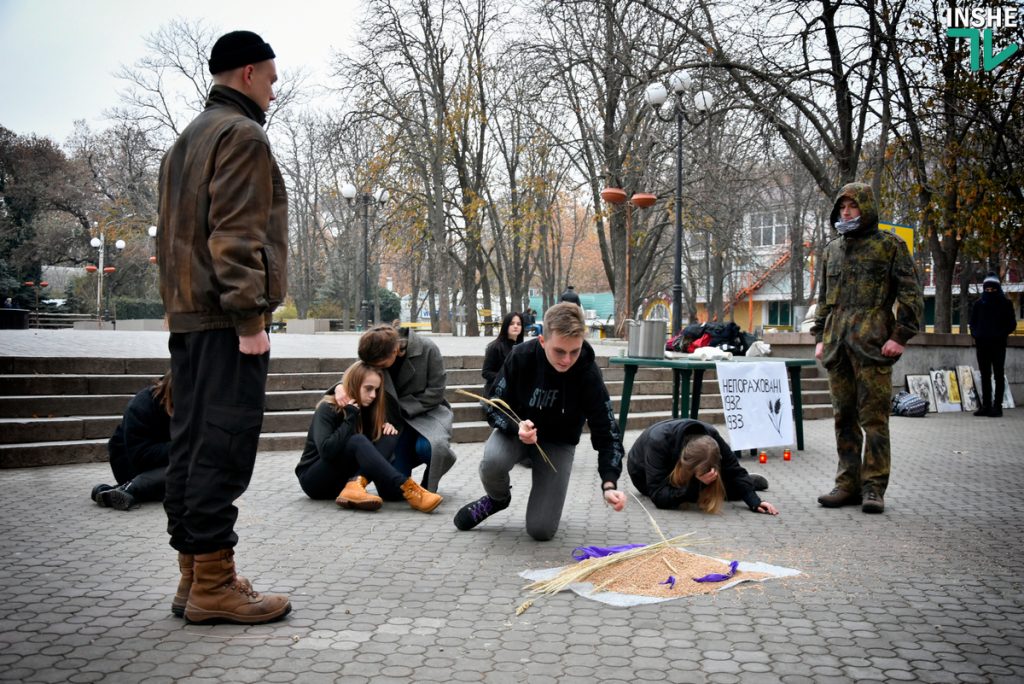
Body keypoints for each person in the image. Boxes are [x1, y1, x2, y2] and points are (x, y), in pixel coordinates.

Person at [156, 30, 290, 624]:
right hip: (223, 319)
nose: (273, 88)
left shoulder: (187, 139)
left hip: (189, 317)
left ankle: (195, 575)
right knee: (224, 445)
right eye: (270, 77)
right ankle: (213, 584)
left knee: (189, 445)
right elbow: (235, 236)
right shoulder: (241, 135)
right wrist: (250, 318)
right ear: (246, 74)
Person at [453, 302, 627, 541]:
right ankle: (497, 499)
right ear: (543, 341)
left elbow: (607, 431)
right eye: (559, 351)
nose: (567, 360)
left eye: (574, 351)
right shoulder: (521, 356)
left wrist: (609, 483)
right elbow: (492, 406)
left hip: (558, 443)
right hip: (516, 433)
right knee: (493, 460)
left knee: (541, 530)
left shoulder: (587, 371)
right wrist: (517, 426)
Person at [811, 182, 923, 515]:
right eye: (842, 207)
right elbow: (823, 299)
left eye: (852, 206)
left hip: (874, 345)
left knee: (874, 420)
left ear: (866, 208)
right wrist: (819, 336)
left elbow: (911, 296)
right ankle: (847, 483)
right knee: (842, 417)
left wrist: (899, 336)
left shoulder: (889, 246)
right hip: (837, 345)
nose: (846, 212)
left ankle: (874, 487)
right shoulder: (832, 250)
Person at [295, 362, 442, 512]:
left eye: (376, 390)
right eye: (368, 389)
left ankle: (356, 484)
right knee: (357, 441)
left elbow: (367, 452)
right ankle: (408, 487)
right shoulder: (328, 408)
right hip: (314, 481)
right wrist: (350, 416)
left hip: (341, 482)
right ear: (354, 384)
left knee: (388, 435)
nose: (373, 395)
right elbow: (327, 451)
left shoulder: (369, 410)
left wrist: (385, 430)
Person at [344, 324, 456, 494]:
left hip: (427, 414)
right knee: (391, 493)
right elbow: (357, 375)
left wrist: (400, 407)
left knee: (431, 447)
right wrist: (339, 388)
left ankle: (430, 479)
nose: (378, 368)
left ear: (395, 350)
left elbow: (436, 392)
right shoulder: (375, 351)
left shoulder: (428, 349)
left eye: (381, 364)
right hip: (393, 420)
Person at [626, 419, 778, 515]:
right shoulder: (658, 441)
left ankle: (743, 485)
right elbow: (659, 497)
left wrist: (755, 501)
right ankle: (699, 486)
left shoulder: (712, 436)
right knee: (673, 496)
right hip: (643, 473)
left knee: (728, 485)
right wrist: (695, 484)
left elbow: (735, 470)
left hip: (685, 470)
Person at [91, 372, 173, 511]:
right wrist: (182, 447)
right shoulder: (142, 404)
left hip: (164, 462)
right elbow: (140, 455)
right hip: (128, 464)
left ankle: (111, 491)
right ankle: (130, 488)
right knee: (186, 467)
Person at [970, 272, 1017, 417]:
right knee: (985, 375)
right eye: (987, 290)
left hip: (998, 344)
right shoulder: (978, 304)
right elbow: (972, 323)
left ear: (998, 288)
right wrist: (977, 335)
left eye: (993, 289)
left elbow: (1012, 324)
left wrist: (1000, 334)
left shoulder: (1005, 304)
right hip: (982, 344)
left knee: (998, 374)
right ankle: (986, 406)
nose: (989, 292)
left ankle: (997, 406)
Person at [481, 311, 524, 395]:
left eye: (519, 324)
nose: (515, 326)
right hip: (497, 391)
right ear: (506, 325)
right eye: (512, 323)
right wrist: (505, 378)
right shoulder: (495, 347)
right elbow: (486, 372)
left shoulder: (523, 347)